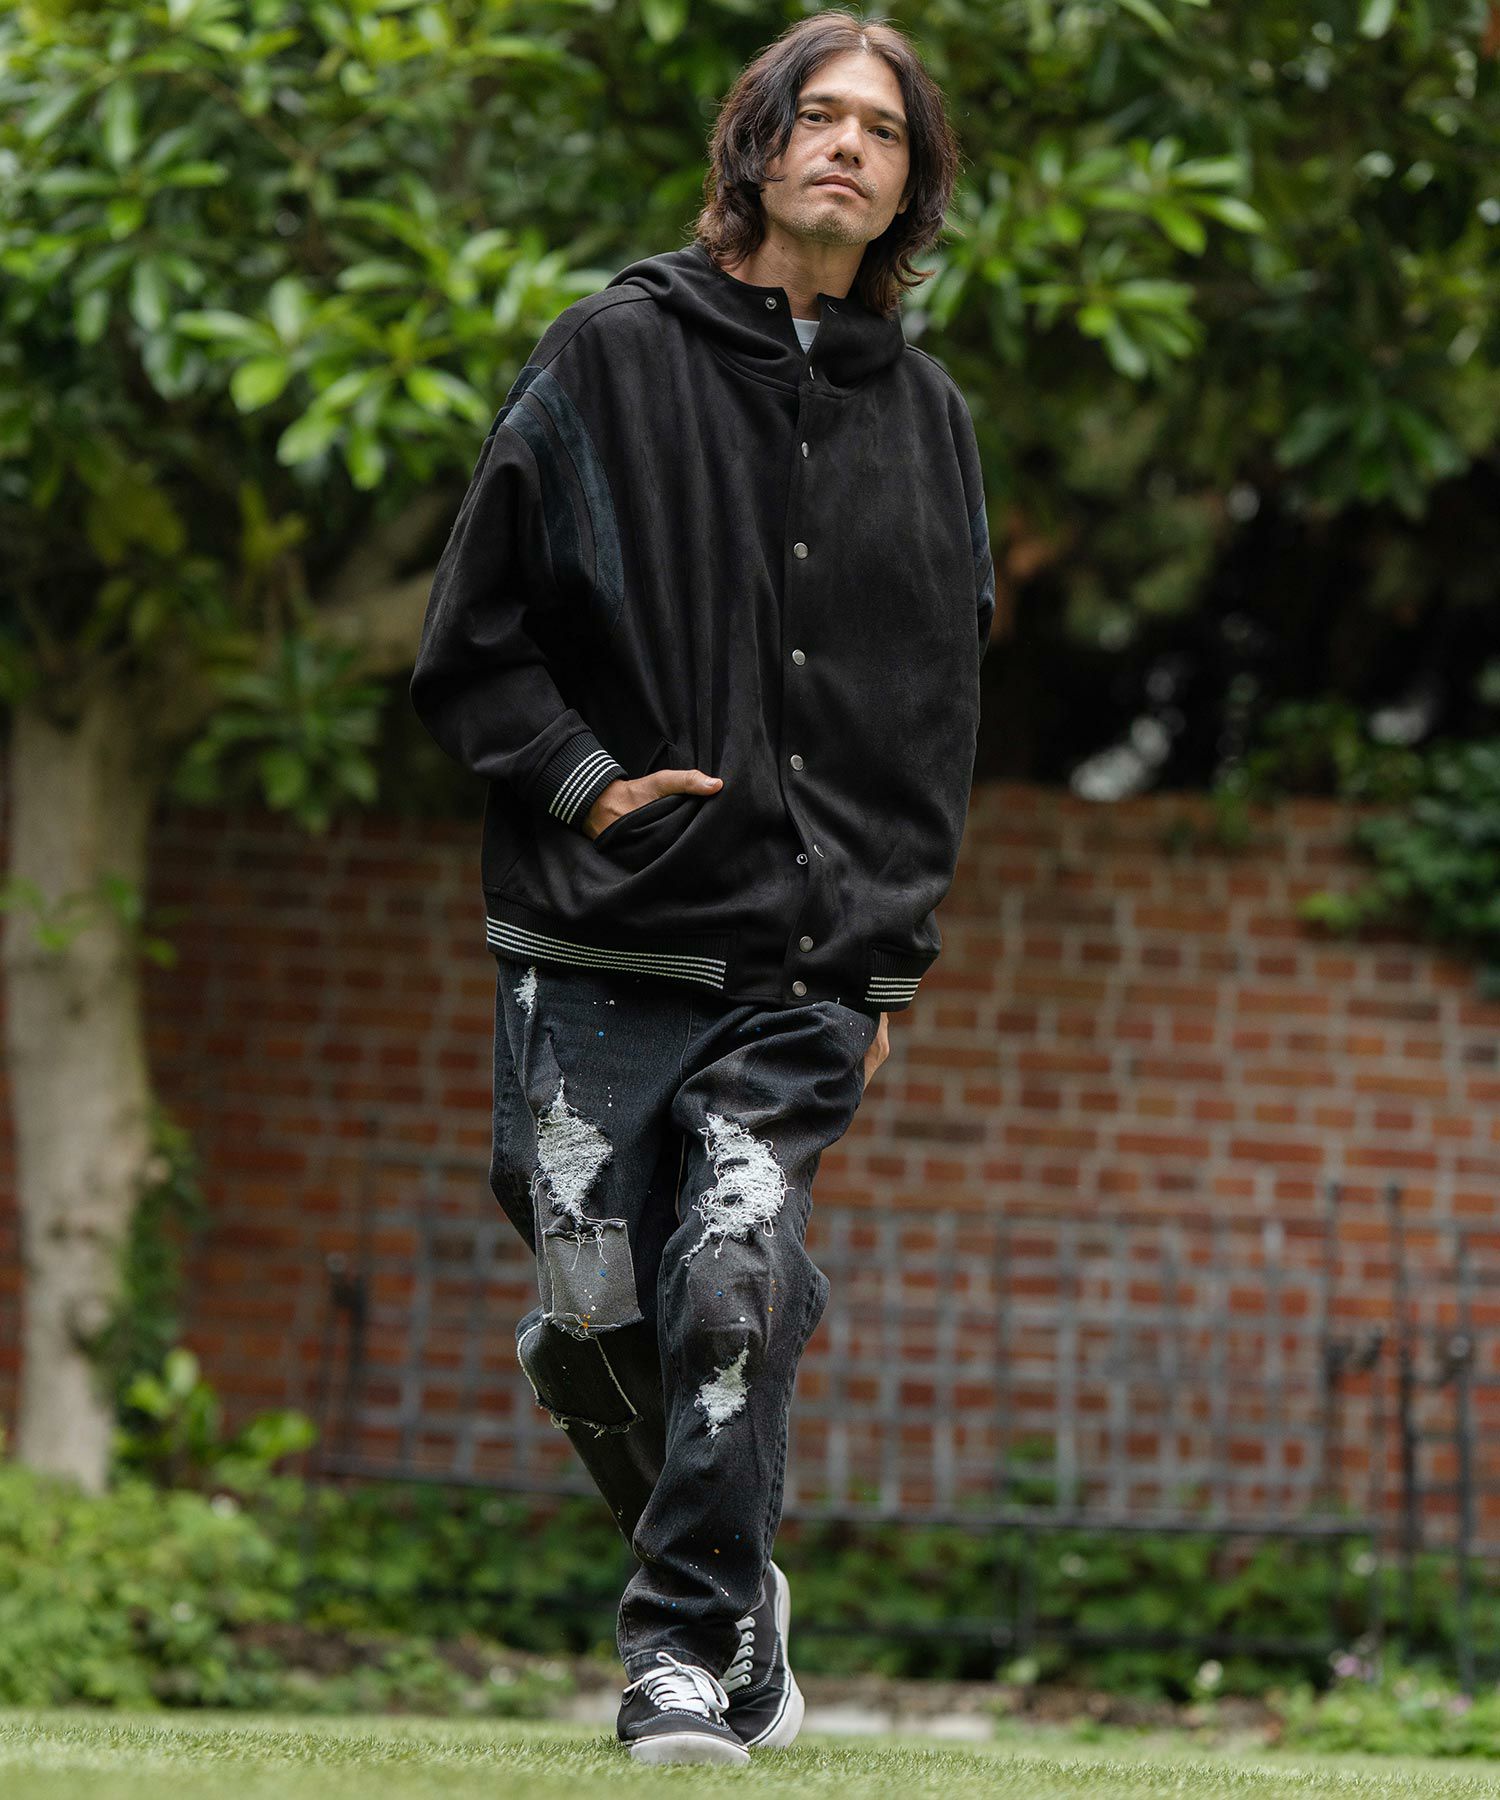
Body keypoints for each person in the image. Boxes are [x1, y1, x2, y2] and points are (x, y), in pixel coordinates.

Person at [410, 8, 994, 1767]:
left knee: (730, 1273)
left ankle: (675, 1653)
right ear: (759, 144)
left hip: (802, 958)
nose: (848, 146)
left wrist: (885, 969)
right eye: (819, 115)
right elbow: (474, 639)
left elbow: (931, 715)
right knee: (591, 1313)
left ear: (910, 184)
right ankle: (740, 1580)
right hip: (599, 935)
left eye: (883, 130)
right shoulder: (610, 352)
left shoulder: (929, 420)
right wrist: (587, 784)